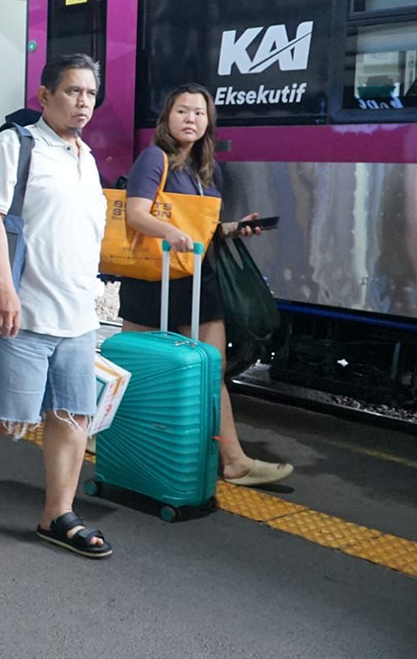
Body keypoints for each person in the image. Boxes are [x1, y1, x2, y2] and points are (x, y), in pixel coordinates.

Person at [0, 54, 111, 558]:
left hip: (76, 313)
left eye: (90, 94)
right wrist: (5, 290)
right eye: (73, 91)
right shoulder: (19, 144)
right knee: (6, 416)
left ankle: (58, 513)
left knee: (73, 415)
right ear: (45, 96)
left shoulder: (87, 157)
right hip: (24, 308)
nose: (82, 102)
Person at [118, 82, 294, 487]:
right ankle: (105, 433)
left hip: (199, 279)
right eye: (182, 111)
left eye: (199, 113)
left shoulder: (204, 169)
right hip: (154, 278)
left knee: (211, 371)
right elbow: (135, 214)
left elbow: (204, 230)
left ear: (208, 122)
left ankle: (233, 460)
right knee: (133, 369)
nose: (191, 119)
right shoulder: (154, 158)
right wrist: (169, 231)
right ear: (167, 117)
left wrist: (234, 229)